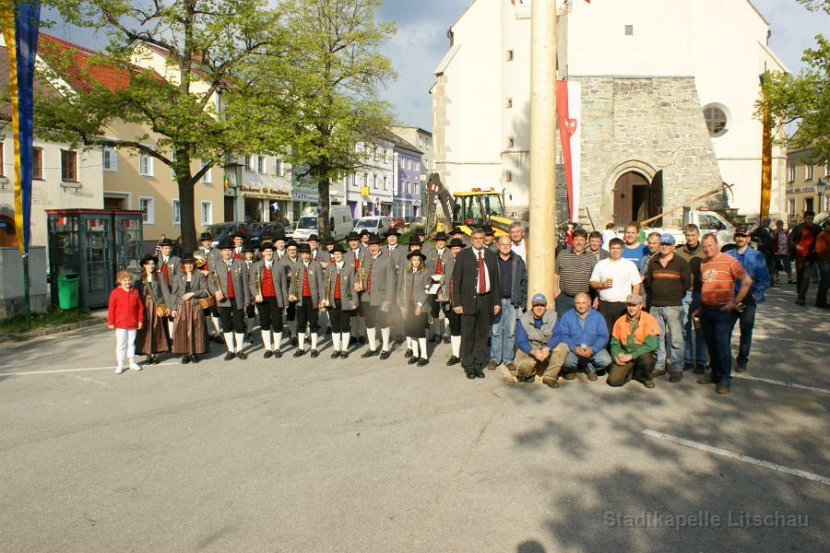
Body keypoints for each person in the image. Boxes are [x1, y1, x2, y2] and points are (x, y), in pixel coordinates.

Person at [695, 234, 753, 395]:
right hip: (706, 310)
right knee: (711, 344)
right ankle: (715, 374)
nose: (707, 248)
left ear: (717, 244)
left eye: (710, 245)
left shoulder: (729, 261)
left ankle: (725, 379)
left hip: (723, 311)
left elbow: (747, 281)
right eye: (704, 246)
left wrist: (735, 302)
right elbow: (705, 287)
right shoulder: (703, 263)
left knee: (722, 345)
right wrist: (700, 307)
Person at [452, 227, 501, 379]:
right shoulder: (463, 255)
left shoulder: (491, 256)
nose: (479, 241)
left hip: (486, 300)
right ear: (471, 240)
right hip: (468, 301)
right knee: (468, 334)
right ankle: (468, 365)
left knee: (482, 334)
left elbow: (495, 280)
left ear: (485, 239)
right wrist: (457, 303)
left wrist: (496, 302)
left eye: (481, 238)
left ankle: (478, 364)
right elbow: (456, 280)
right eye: (476, 238)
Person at [644, 233, 691, 382]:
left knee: (676, 339)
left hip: (673, 306)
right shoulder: (653, 262)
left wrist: (673, 294)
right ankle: (659, 366)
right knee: (658, 338)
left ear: (673, 246)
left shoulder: (681, 263)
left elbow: (686, 283)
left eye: (667, 244)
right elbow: (650, 282)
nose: (664, 246)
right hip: (656, 305)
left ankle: (676, 368)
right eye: (662, 244)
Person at [726, 225, 770, 372]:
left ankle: (742, 359)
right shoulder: (728, 254)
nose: (740, 238)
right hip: (731, 299)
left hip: (748, 300)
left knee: (746, 332)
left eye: (743, 236)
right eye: (738, 235)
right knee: (724, 331)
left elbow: (764, 280)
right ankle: (723, 358)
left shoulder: (756, 256)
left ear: (749, 238)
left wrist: (754, 294)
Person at [550, 292, 611, 381]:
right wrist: (574, 348)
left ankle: (590, 367)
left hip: (591, 349)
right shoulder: (566, 316)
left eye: (583, 303)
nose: (581, 306)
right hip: (574, 349)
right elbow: (563, 334)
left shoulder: (598, 317)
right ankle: (572, 370)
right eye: (578, 303)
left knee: (605, 360)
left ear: (589, 303)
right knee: (567, 362)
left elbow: (603, 336)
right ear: (574, 304)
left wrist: (593, 349)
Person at [489, 235, 528, 373]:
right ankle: (495, 358)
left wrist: (523, 301)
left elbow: (524, 282)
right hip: (496, 301)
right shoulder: (492, 260)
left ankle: (508, 359)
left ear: (511, 245)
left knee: (510, 332)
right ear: (498, 245)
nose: (505, 247)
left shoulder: (518, 260)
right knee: (495, 331)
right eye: (502, 244)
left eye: (508, 244)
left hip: (513, 301)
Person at [514, 293, 569, 388]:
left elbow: (557, 335)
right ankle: (530, 374)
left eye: (542, 305)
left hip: (547, 348)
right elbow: (521, 341)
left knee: (563, 347)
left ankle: (550, 376)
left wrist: (548, 348)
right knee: (523, 367)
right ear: (532, 306)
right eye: (536, 305)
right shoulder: (523, 319)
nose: (539, 308)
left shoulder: (553, 316)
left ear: (545, 306)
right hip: (531, 348)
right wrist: (533, 352)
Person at [208, 238, 250, 361]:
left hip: (238, 299)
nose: (227, 252)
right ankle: (231, 350)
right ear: (221, 252)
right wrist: (215, 292)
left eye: (229, 250)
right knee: (226, 325)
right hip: (223, 299)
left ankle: (240, 349)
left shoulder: (240, 263)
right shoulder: (215, 264)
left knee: (239, 324)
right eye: (224, 250)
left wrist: (247, 300)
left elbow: (245, 284)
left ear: (233, 251)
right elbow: (211, 282)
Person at [590, 238, 642, 334]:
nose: (615, 251)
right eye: (613, 248)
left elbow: (636, 284)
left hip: (623, 305)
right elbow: (592, 282)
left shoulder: (629, 265)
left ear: (622, 250)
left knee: (623, 332)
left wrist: (633, 302)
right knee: (605, 333)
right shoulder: (601, 264)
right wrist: (602, 284)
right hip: (605, 305)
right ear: (609, 249)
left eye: (618, 248)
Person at [607, 294, 660, 388]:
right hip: (625, 354)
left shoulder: (649, 319)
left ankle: (647, 377)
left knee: (646, 359)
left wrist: (632, 356)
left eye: (634, 305)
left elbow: (652, 345)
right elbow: (615, 343)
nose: (631, 308)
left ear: (640, 305)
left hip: (641, 354)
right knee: (613, 381)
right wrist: (616, 355)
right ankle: (632, 372)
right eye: (629, 305)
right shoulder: (620, 321)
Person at [676, 224, 708, 373]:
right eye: (687, 235)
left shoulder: (705, 251)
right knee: (684, 328)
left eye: (693, 235)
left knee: (700, 329)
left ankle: (701, 361)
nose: (690, 238)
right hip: (683, 294)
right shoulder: (679, 252)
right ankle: (688, 359)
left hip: (699, 294)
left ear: (698, 235)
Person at [359, 234, 396, 359]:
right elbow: (359, 273)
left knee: (383, 321)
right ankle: (373, 347)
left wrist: (389, 299)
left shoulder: (387, 259)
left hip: (383, 298)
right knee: (369, 322)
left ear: (379, 246)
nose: (372, 248)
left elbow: (391, 281)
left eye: (374, 245)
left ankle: (385, 348)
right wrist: (355, 283)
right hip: (366, 296)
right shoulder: (365, 258)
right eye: (370, 246)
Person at [250, 242, 289, 359]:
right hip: (262, 299)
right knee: (264, 323)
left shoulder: (279, 266)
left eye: (270, 251)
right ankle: (268, 348)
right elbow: (251, 283)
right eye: (266, 251)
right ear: (262, 253)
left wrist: (285, 301)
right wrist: (256, 294)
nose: (268, 253)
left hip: (276, 298)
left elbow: (283, 285)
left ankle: (277, 348)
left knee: (277, 323)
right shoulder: (256, 266)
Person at [170, 257, 210, 364]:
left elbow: (205, 291)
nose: (189, 266)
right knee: (182, 330)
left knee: (196, 329)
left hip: (195, 306)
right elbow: (174, 293)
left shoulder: (199, 275)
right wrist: (173, 308)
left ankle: (194, 353)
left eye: (191, 263)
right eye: (187, 264)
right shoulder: (178, 276)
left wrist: (192, 293)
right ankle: (185, 353)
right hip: (181, 306)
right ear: (183, 265)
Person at [287, 243, 324, 357]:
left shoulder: (316, 265)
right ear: (300, 254)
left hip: (313, 298)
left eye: (307, 254)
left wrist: (322, 299)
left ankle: (313, 348)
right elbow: (293, 282)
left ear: (310, 254)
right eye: (303, 254)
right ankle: (301, 347)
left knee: (313, 322)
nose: (305, 256)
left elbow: (321, 284)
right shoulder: (297, 266)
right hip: (301, 299)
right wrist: (291, 294)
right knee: (301, 322)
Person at [322, 244, 359, 358]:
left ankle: (344, 349)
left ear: (343, 255)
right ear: (333, 255)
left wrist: (353, 301)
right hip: (332, 301)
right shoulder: (329, 268)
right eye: (335, 254)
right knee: (335, 325)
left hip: (345, 301)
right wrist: (324, 298)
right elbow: (324, 285)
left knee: (345, 325)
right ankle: (336, 349)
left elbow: (352, 286)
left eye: (339, 254)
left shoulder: (350, 268)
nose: (337, 255)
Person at [134, 255, 171, 365]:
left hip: (157, 307)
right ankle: (148, 354)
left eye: (153, 264)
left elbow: (165, 292)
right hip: (144, 308)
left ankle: (155, 354)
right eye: (148, 264)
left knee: (156, 330)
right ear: (144, 266)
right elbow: (137, 296)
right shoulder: (139, 280)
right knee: (145, 331)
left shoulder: (159, 276)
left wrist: (169, 306)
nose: (151, 266)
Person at [107, 270, 144, 374]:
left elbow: (140, 307)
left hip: (132, 322)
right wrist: (111, 322)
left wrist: (140, 320)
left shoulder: (135, 292)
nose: (127, 282)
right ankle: (120, 364)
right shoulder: (115, 293)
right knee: (121, 344)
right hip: (120, 323)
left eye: (129, 280)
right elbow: (111, 308)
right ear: (120, 281)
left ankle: (132, 362)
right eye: (125, 280)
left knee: (131, 343)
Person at [554, 227, 596, 314]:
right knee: (563, 324)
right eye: (576, 239)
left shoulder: (591, 257)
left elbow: (595, 278)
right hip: (564, 299)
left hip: (583, 299)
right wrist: (556, 291)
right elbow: (556, 273)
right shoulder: (562, 254)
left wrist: (594, 297)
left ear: (586, 242)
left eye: (582, 239)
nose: (579, 242)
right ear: (572, 241)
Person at [398, 250, 431, 366]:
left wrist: (419, 305)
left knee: (419, 330)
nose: (416, 262)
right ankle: (415, 354)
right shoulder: (406, 272)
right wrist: (402, 306)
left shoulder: (425, 272)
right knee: (411, 330)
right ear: (410, 261)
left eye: (418, 260)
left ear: (421, 261)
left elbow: (426, 290)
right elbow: (402, 290)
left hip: (420, 306)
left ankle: (424, 356)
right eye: (414, 260)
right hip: (408, 305)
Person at [789, 210, 821, 306]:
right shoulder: (798, 228)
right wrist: (796, 246)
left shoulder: (817, 228)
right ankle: (800, 294)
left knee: (806, 277)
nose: (810, 220)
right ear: (804, 218)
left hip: (810, 256)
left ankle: (801, 297)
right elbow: (790, 239)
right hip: (799, 255)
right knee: (800, 276)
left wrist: (816, 249)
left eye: (812, 218)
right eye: (808, 218)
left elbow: (820, 240)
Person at [426, 231, 452, 343]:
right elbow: (427, 268)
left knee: (446, 310)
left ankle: (447, 333)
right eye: (438, 241)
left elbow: (450, 270)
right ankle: (437, 333)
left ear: (445, 242)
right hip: (433, 285)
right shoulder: (431, 253)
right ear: (436, 242)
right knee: (434, 310)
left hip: (445, 285)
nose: (440, 242)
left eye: (442, 240)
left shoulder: (449, 254)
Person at [444, 238, 465, 366]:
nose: (455, 251)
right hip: (450, 301)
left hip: (464, 302)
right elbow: (442, 279)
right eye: (453, 249)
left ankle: (466, 354)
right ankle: (456, 354)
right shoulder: (447, 262)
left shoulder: (468, 262)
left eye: (458, 248)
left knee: (466, 328)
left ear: (462, 249)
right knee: (454, 328)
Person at [344, 231, 367, 345]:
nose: (353, 243)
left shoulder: (366, 252)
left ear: (359, 241)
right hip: (349, 289)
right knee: (351, 310)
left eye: (355, 240)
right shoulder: (345, 254)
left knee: (362, 310)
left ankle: (362, 334)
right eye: (351, 241)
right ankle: (353, 334)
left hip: (363, 288)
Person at [279, 240, 301, 345]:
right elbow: (279, 277)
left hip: (302, 290)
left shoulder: (302, 258)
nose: (292, 251)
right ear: (287, 250)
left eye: (294, 249)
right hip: (289, 290)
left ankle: (305, 334)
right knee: (291, 313)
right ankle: (293, 334)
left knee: (303, 313)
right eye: (290, 250)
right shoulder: (282, 262)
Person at [752, 216, 776, 287]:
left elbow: (773, 238)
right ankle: (760, 281)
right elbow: (752, 236)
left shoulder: (771, 230)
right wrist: (758, 241)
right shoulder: (759, 229)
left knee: (771, 267)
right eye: (766, 221)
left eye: (768, 221)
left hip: (770, 250)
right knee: (761, 266)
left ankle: (770, 282)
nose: (767, 223)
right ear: (762, 222)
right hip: (762, 250)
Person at [772, 220, 793, 285]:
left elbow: (789, 240)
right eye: (778, 224)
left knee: (788, 265)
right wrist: (775, 233)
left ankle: (790, 278)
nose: (780, 225)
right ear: (776, 225)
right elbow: (772, 239)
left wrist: (790, 250)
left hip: (785, 251)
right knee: (777, 265)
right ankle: (777, 278)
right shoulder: (774, 231)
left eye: (781, 224)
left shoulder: (786, 231)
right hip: (777, 251)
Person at [816, 219, 830, 308]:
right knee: (825, 280)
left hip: (828, 259)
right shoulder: (822, 235)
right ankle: (820, 302)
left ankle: (822, 301)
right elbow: (819, 250)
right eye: (829, 225)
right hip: (824, 259)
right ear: (826, 226)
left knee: (827, 281)